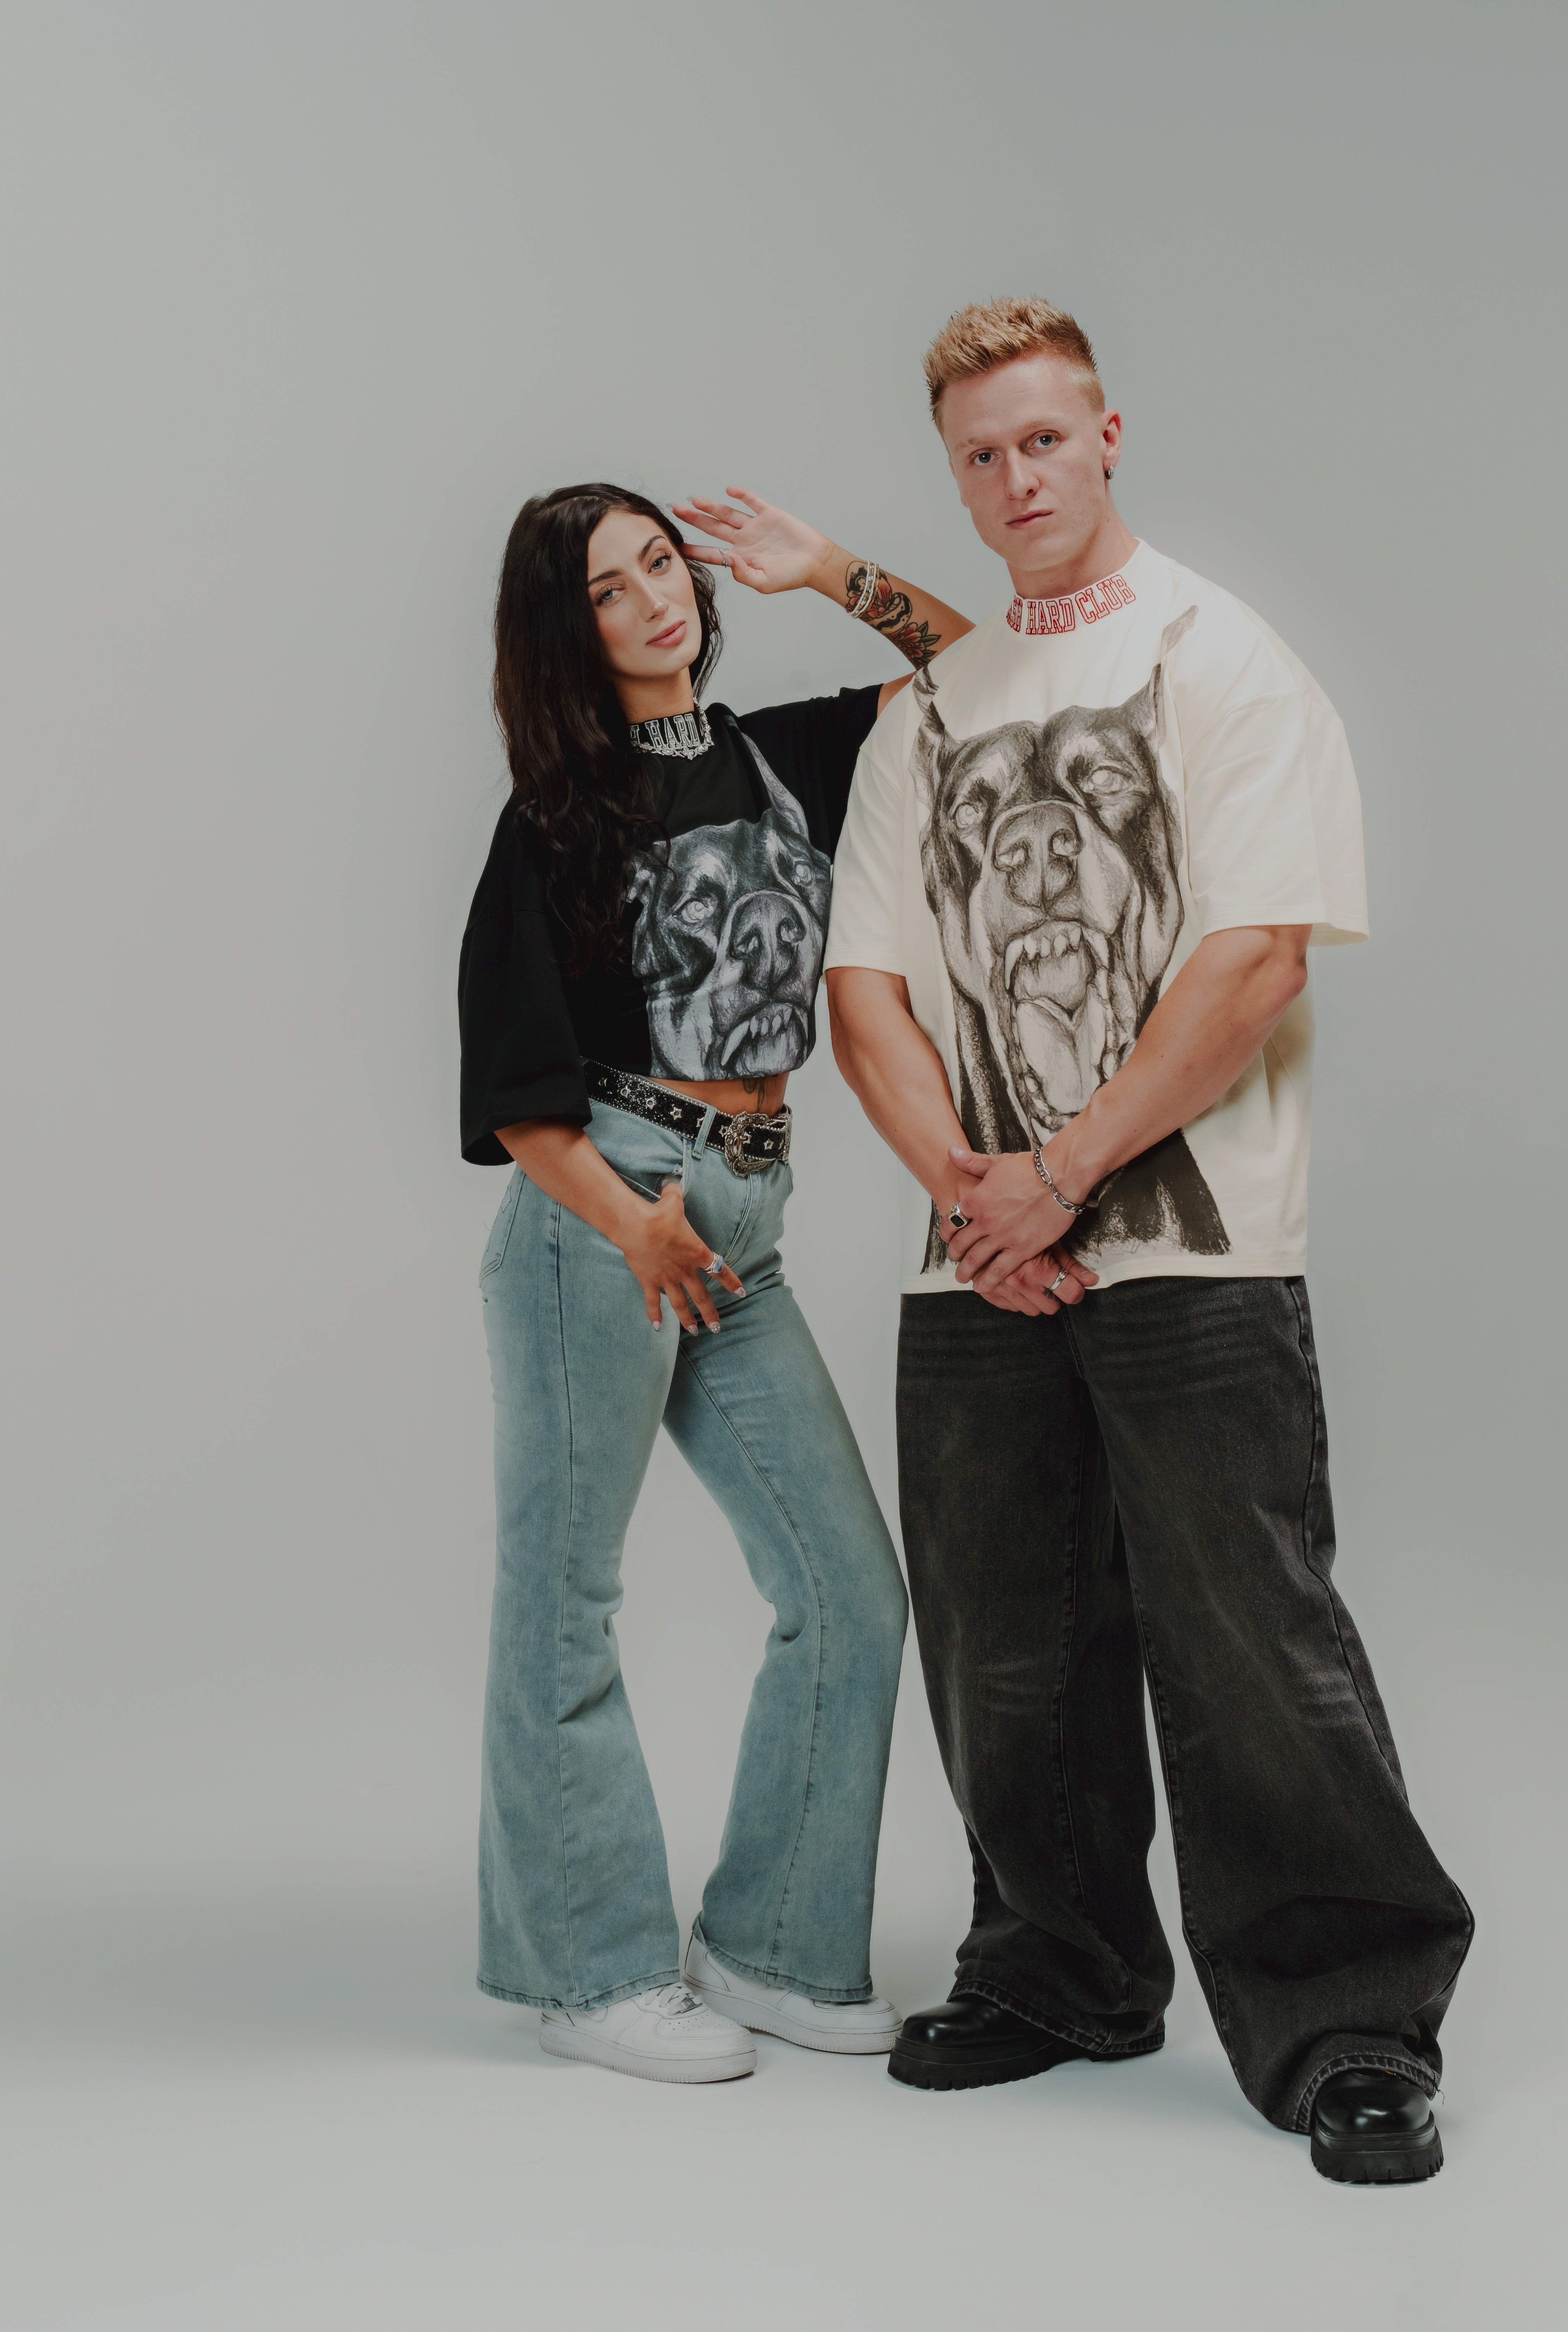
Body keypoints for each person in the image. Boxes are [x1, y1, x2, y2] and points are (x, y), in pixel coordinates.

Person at [824, 300, 1473, 2183]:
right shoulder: (928, 710)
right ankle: (1060, 1969)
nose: (1011, 479)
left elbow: (1250, 953)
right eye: (976, 454)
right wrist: (972, 1185)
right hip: (970, 1251)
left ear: (1107, 436)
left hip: (1190, 1247)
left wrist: (1059, 1171)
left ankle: (1349, 2024)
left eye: (1041, 440)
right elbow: (867, 984)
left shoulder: (1219, 658)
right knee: (997, 1638)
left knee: (1243, 1635)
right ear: (952, 471)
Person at [458, 484, 980, 2083]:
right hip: (599, 1214)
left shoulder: (786, 757)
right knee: (566, 1599)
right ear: (572, 634)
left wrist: (827, 570)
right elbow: (516, 1094)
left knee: (845, 1590)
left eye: (659, 564)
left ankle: (770, 1947)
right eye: (609, 591)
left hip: (742, 1216)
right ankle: (589, 1973)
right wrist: (630, 1225)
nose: (653, 600)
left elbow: (981, 677)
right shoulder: (557, 811)